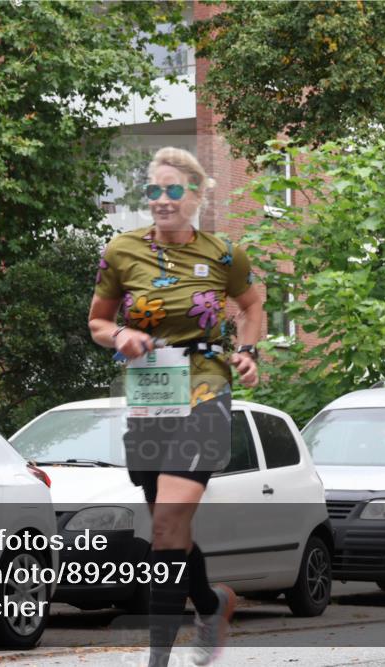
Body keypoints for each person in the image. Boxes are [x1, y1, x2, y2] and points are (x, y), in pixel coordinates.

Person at [88, 147, 263, 666]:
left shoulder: (223, 253)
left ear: (196, 194)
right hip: (149, 397)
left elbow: (252, 306)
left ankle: (157, 661)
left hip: (206, 386)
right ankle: (212, 604)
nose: (162, 201)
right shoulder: (121, 251)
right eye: (153, 191)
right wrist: (118, 333)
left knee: (166, 522)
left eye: (173, 191)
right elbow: (97, 321)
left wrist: (248, 351)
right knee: (170, 531)